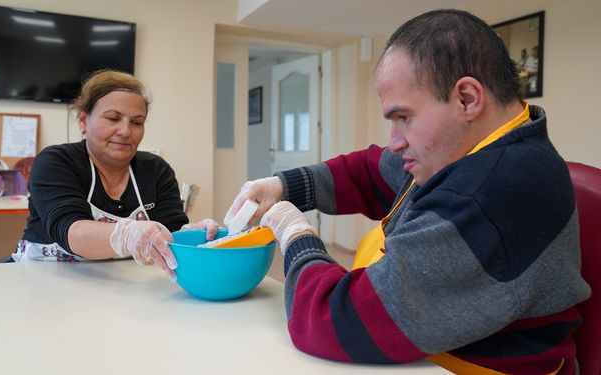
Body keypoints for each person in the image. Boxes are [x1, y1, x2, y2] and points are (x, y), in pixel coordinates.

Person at [225, 9, 590, 374]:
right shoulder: (472, 147)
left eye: (403, 117)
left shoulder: (487, 193)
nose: (394, 143)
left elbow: (331, 320)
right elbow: (368, 171)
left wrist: (295, 233)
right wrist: (282, 186)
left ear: (466, 98)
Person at [13, 70, 217, 281]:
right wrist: (126, 235)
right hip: (46, 279)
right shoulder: (56, 162)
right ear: (84, 120)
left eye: (137, 122)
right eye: (113, 118)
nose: (125, 131)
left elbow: (169, 235)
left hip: (125, 283)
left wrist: (192, 235)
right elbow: (71, 232)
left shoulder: (156, 170)